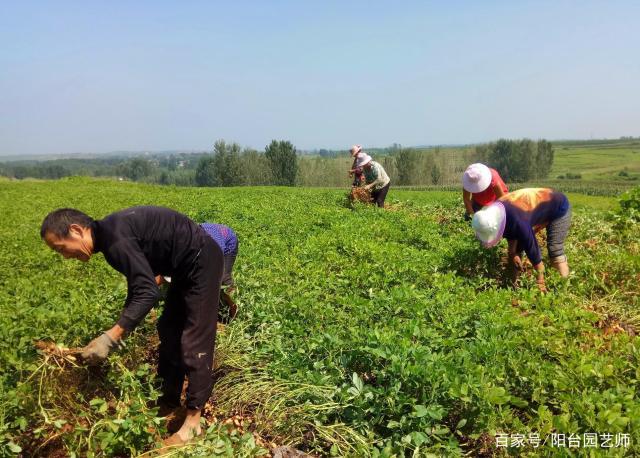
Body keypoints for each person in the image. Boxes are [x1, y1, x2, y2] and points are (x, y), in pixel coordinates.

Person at [41, 206, 223, 446]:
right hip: (183, 268)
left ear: (76, 230)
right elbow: (140, 287)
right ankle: (168, 401)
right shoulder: (110, 237)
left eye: (60, 248)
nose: (64, 256)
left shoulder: (115, 239)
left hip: (202, 261)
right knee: (169, 330)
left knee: (194, 341)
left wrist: (111, 337)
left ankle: (192, 424)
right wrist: (118, 327)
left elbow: (148, 293)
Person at [471, 188, 571, 291]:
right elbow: (510, 230)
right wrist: (513, 253)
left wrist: (540, 281)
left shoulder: (520, 223)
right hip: (535, 209)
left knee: (555, 250)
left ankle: (562, 290)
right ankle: (511, 285)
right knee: (516, 252)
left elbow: (532, 250)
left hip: (558, 206)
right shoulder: (496, 213)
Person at [156, 222, 239, 320]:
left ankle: (234, 310)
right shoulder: (179, 248)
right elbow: (160, 275)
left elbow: (212, 268)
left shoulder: (211, 247)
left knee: (223, 278)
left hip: (227, 242)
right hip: (200, 243)